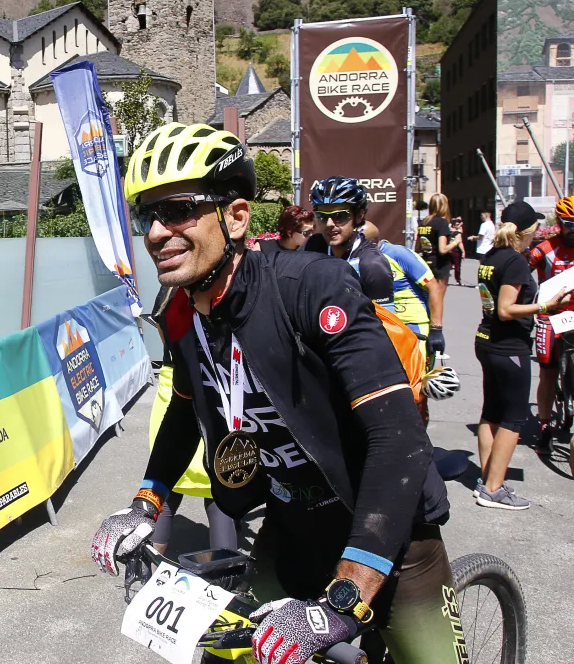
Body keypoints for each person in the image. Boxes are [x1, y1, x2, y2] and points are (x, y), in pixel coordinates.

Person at [91, 123, 460, 664]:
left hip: (384, 524)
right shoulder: (180, 314)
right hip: (292, 523)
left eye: (178, 211)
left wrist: (348, 594)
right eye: (147, 216)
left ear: (236, 217)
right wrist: (146, 503)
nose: (155, 233)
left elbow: (397, 438)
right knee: (230, 655)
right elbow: (184, 413)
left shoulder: (312, 288)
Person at [475, 201, 572, 510]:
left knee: (491, 412)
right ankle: (494, 488)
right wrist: (545, 307)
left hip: (487, 341)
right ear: (527, 232)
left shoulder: (490, 256)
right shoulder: (515, 261)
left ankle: (487, 479)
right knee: (514, 418)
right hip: (508, 346)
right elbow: (506, 309)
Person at [147, 286, 238, 556]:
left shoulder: (168, 290)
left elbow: (163, 331)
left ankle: (150, 577)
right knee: (219, 493)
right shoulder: (218, 285)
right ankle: (224, 586)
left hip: (175, 384)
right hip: (213, 389)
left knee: (164, 487)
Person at [527, 196, 574, 454]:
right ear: (559, 223)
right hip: (551, 314)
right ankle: (545, 425)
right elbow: (517, 272)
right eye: (570, 225)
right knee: (548, 370)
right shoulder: (544, 249)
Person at [304, 176, 394, 308]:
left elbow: (386, 326)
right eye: (322, 216)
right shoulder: (312, 246)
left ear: (359, 216)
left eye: (339, 216)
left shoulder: (372, 264)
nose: (329, 224)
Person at [363, 222, 435, 361]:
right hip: (384, 326)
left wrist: (437, 329)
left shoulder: (397, 254)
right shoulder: (359, 259)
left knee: (416, 374)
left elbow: (434, 287)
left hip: (412, 324)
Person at [416, 194, 461, 356]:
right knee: (437, 304)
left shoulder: (424, 223)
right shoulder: (442, 223)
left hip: (426, 265)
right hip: (440, 266)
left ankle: (425, 340)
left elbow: (417, 248)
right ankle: (434, 344)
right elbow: (443, 249)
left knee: (427, 302)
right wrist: (455, 242)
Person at [449, 217, 465, 285]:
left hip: (449, 250)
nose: (459, 226)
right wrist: (463, 252)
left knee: (449, 265)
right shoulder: (457, 233)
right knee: (457, 266)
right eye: (457, 224)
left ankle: (443, 278)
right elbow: (460, 242)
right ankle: (458, 280)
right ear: (454, 225)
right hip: (456, 251)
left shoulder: (448, 232)